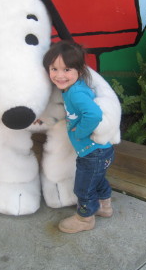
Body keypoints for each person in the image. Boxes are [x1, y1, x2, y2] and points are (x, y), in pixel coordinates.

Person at [43, 40, 115, 233]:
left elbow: (93, 115)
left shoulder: (75, 94)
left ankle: (85, 219)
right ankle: (104, 207)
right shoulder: (74, 88)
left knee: (83, 189)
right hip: (101, 151)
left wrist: (80, 131)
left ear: (79, 70)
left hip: (93, 153)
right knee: (97, 180)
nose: (60, 75)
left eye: (67, 70)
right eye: (54, 69)